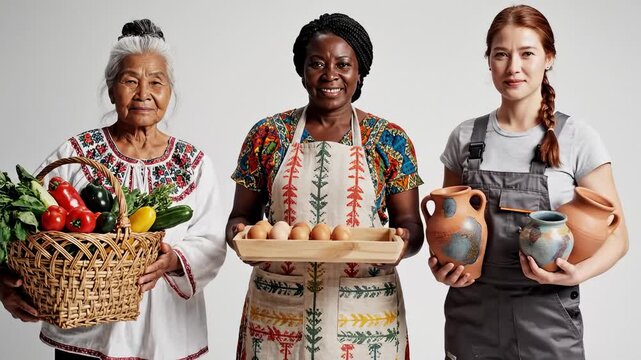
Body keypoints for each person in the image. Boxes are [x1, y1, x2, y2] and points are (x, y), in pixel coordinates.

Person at [0, 19, 227, 359]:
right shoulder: (76, 154)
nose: (143, 94)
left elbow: (211, 239)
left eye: (156, 82)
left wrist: (173, 260)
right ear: (111, 89)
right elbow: (20, 222)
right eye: (130, 81)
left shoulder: (193, 162)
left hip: (167, 334)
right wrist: (4, 284)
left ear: (169, 91)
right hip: (85, 337)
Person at [431, 5, 629, 359]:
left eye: (527, 53)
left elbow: (619, 236)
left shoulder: (577, 137)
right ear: (488, 60)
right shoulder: (464, 138)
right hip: (471, 319)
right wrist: (443, 268)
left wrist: (574, 274)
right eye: (501, 55)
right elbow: (446, 229)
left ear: (548, 58)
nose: (513, 67)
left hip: (548, 320)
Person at [226, 13, 423, 359]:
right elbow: (239, 217)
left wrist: (403, 241)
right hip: (279, 312)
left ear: (359, 71)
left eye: (343, 64)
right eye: (317, 63)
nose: (330, 75)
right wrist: (241, 235)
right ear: (302, 70)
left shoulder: (390, 139)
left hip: (365, 317)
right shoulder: (268, 135)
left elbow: (411, 228)